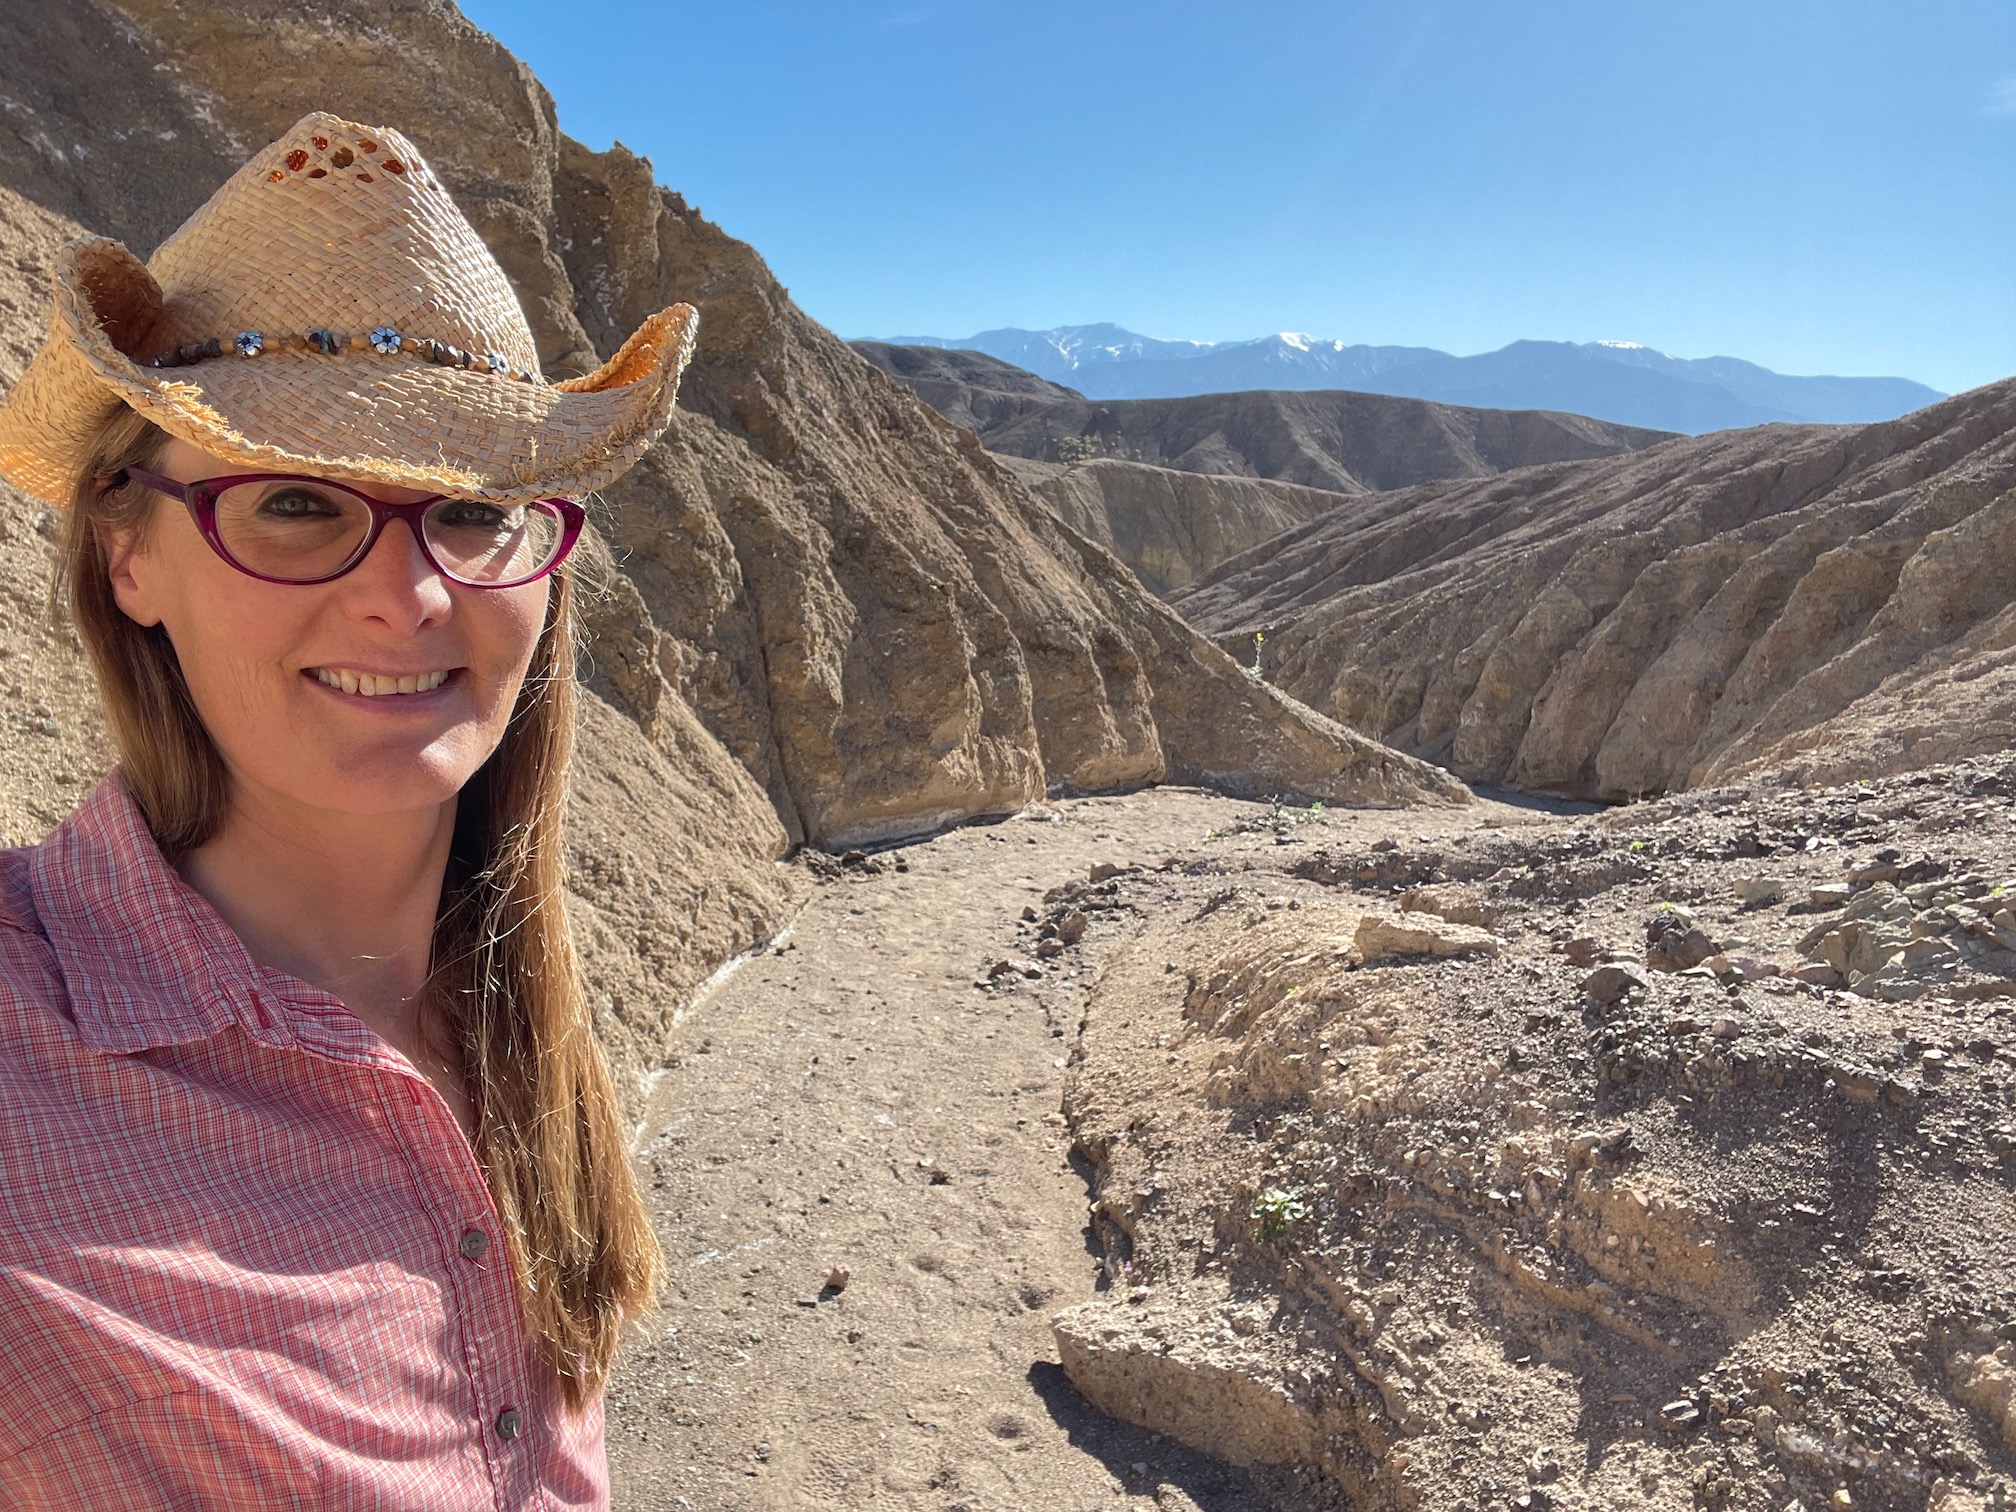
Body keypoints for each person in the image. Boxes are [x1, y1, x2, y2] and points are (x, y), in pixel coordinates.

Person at [0, 111, 699, 1508]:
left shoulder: (512, 1017)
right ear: (127, 555)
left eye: (473, 510)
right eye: (299, 503)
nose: (412, 594)